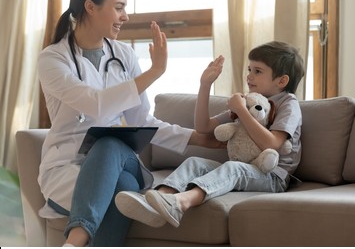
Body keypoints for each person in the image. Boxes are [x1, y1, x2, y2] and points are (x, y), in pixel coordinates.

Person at [37, 0, 220, 247]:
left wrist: (198, 138)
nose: (126, 17)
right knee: (122, 191)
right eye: (119, 7)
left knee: (110, 143)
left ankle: (73, 246)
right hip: (67, 168)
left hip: (120, 160)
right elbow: (95, 104)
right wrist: (154, 71)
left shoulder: (123, 55)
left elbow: (141, 121)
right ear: (91, 7)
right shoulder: (53, 59)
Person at [116, 41, 305, 228]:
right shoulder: (246, 101)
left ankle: (180, 203)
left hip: (272, 176)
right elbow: (203, 127)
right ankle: (158, 202)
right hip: (245, 168)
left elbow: (272, 144)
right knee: (194, 162)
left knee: (233, 168)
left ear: (282, 81)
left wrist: (241, 111)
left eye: (258, 71)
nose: (249, 76)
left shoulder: (288, 103)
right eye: (249, 69)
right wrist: (205, 85)